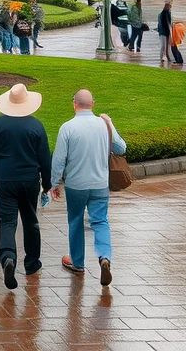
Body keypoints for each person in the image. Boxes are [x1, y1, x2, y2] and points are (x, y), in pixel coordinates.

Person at [51, 89, 126, 286]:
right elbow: (121, 148)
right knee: (100, 221)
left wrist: (53, 183)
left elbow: (59, 160)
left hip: (76, 185)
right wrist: (110, 123)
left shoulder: (67, 128)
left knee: (75, 221)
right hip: (101, 183)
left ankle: (77, 262)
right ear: (93, 104)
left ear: (74, 104)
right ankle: (104, 257)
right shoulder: (104, 124)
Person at [0, 83, 52, 289]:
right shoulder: (36, 126)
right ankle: (31, 263)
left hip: (5, 179)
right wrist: (46, 184)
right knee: (30, 220)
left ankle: (7, 257)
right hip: (29, 179)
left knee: (7, 221)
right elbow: (45, 159)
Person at [157, 0, 174, 65]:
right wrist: (171, 33)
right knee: (164, 46)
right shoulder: (165, 13)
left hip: (163, 31)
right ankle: (163, 58)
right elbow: (168, 23)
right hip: (164, 32)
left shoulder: (165, 13)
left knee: (166, 46)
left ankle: (167, 58)